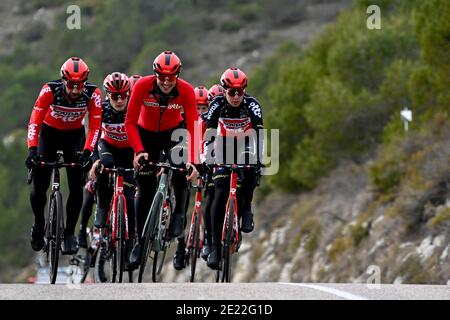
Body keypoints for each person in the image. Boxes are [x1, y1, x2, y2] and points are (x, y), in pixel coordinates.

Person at [125, 51, 199, 271]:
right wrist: (138, 152)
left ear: (177, 74)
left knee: (180, 171)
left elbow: (193, 124)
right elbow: (129, 122)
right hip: (146, 136)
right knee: (145, 189)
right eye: (162, 76)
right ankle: (139, 241)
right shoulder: (142, 87)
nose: (166, 81)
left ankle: (178, 214)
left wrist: (194, 161)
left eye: (171, 76)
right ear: (155, 73)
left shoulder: (185, 90)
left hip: (173, 135)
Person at [26, 57, 102, 254]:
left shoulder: (93, 94)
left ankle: (69, 233)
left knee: (77, 187)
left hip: (74, 138)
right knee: (39, 186)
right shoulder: (50, 90)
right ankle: (39, 224)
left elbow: (95, 127)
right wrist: (32, 150)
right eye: (71, 85)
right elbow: (35, 121)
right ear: (63, 81)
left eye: (80, 85)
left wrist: (87, 152)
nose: (76, 90)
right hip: (48, 136)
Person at [203, 68, 264, 269]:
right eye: (232, 92)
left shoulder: (252, 105)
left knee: (251, 171)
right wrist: (208, 155)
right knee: (219, 193)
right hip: (223, 145)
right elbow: (209, 132)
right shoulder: (217, 104)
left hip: (246, 144)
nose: (236, 96)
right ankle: (213, 246)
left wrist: (259, 158)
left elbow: (259, 133)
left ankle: (246, 208)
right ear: (225, 90)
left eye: (240, 91)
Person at [88, 72, 137, 276]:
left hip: (129, 152)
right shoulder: (102, 110)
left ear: (129, 94)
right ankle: (101, 208)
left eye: (123, 95)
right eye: (114, 96)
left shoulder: (136, 109)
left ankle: (131, 241)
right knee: (104, 164)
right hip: (107, 147)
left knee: (130, 197)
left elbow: (148, 136)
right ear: (107, 95)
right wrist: (94, 161)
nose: (119, 100)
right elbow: (92, 137)